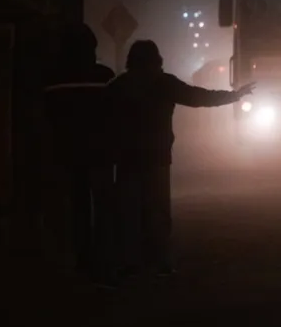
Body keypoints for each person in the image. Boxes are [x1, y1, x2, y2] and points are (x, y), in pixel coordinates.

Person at [106, 40, 255, 276]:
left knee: (129, 211)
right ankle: (160, 262)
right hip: (157, 156)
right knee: (158, 211)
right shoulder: (163, 83)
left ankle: (129, 262)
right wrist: (234, 96)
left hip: (127, 157)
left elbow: (104, 119)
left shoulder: (118, 86)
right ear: (157, 60)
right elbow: (198, 97)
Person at [42, 23, 117, 285]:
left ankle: (82, 258)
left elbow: (46, 118)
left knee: (77, 208)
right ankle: (105, 259)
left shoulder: (52, 79)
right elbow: (117, 115)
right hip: (101, 154)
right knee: (105, 207)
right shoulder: (105, 76)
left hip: (69, 154)